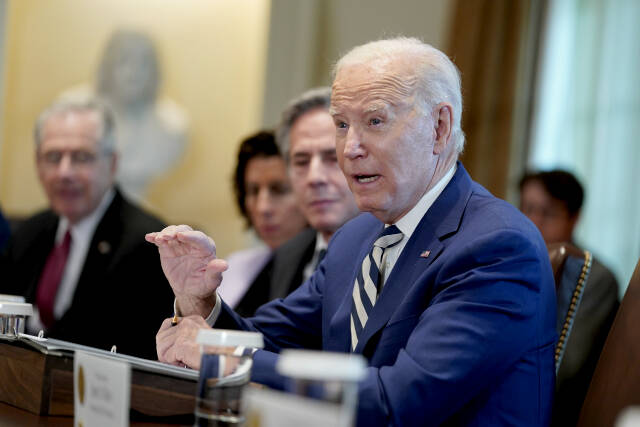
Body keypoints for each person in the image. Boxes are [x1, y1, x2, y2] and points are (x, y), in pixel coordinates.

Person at [148, 37, 556, 426]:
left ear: (439, 127)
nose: (350, 148)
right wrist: (200, 303)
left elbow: (398, 403)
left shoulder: (497, 247)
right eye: (341, 125)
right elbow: (270, 343)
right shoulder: (356, 237)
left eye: (375, 121)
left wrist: (223, 357)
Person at [0, 98, 174, 359]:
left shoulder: (148, 246)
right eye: (53, 157)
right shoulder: (29, 234)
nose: (64, 172)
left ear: (113, 164)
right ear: (37, 164)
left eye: (81, 157)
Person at [220, 88, 360, 316]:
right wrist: (198, 300)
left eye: (332, 158)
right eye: (301, 161)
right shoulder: (288, 256)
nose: (315, 177)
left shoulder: (392, 251)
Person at [519, 169, 619, 426]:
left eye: (548, 212)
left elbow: (564, 366)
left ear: (574, 218)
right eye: (527, 208)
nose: (534, 220)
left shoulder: (595, 277)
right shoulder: (510, 261)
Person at [61, 29, 189, 201]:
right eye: (124, 61)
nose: (133, 72)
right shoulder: (71, 110)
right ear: (108, 65)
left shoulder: (172, 125)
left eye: (143, 64)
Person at [218, 130, 308, 314]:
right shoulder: (234, 267)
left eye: (279, 190)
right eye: (253, 191)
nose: (262, 207)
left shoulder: (327, 271)